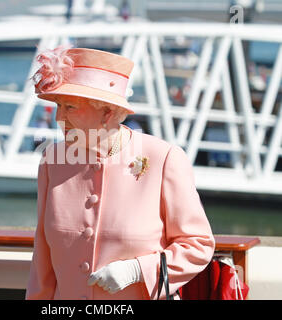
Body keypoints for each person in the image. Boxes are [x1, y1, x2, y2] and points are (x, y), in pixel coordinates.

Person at [25, 45, 215, 300]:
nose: (59, 118)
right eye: (58, 106)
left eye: (69, 107)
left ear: (108, 112)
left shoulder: (163, 158)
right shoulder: (53, 159)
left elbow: (198, 245)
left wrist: (137, 270)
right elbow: (43, 257)